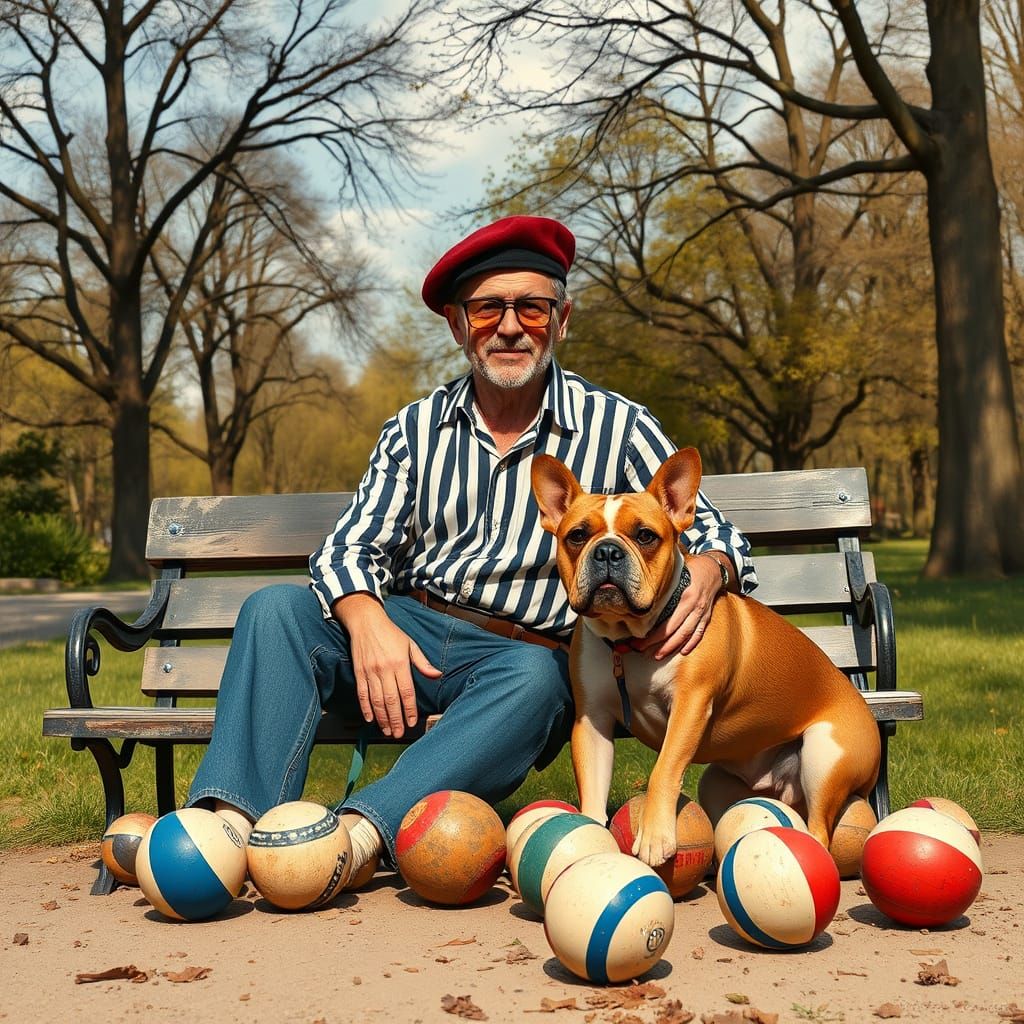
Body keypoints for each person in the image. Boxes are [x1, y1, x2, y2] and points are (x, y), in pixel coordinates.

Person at [186, 215, 757, 882]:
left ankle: (354, 837)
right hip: (409, 630)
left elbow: (717, 535)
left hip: (517, 658)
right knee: (275, 610)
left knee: (540, 681)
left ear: (562, 320)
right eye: (488, 307)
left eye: (531, 308)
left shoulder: (620, 424)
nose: (510, 326)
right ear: (459, 326)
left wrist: (710, 572)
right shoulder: (415, 428)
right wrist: (368, 620)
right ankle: (231, 827)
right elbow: (348, 548)